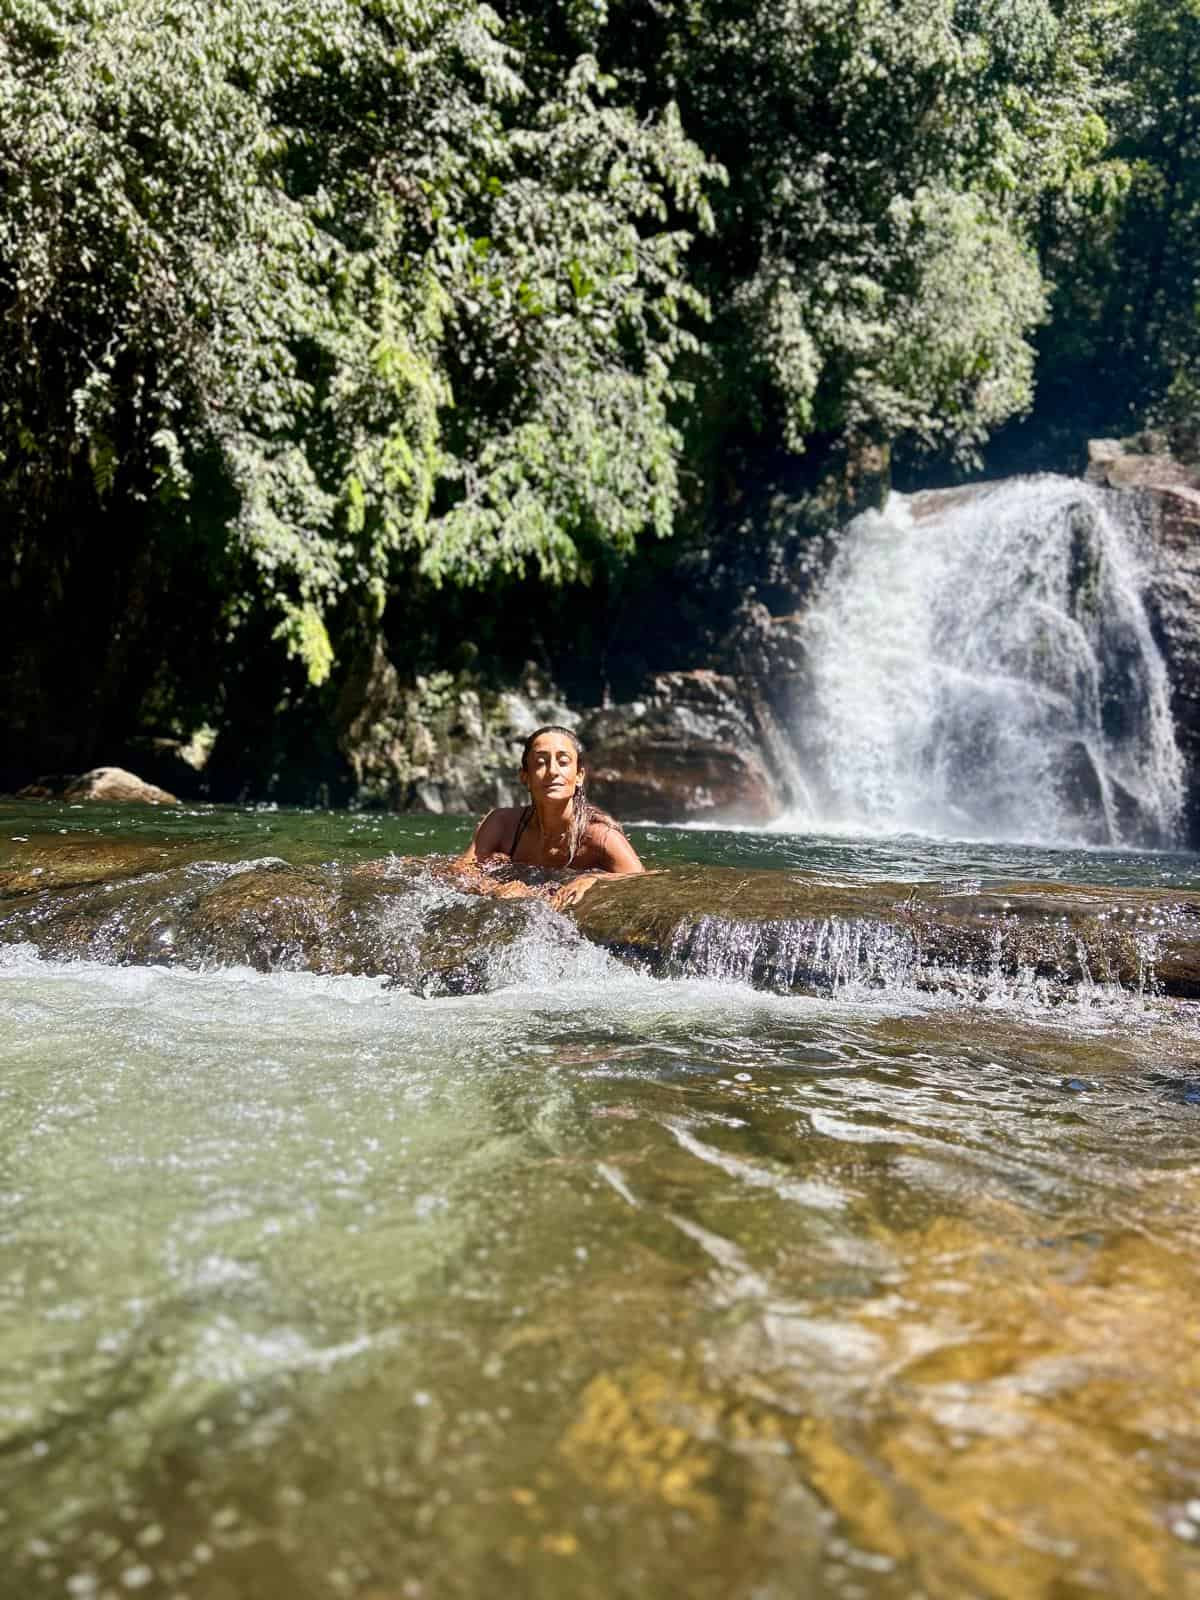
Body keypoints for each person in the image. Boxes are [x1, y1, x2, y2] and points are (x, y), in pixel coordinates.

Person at [455, 726, 643, 893]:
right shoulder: (502, 824)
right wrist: (496, 887)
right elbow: (461, 872)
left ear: (579, 776)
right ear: (525, 776)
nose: (552, 771)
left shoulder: (602, 837)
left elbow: (645, 881)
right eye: (540, 762)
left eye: (563, 761)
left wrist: (595, 879)